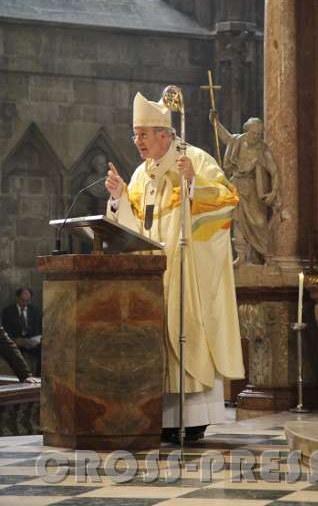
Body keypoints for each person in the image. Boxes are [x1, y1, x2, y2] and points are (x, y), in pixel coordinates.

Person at [105, 91, 245, 443]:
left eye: (143, 134)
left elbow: (228, 200)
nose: (137, 142)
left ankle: (194, 418)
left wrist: (193, 184)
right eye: (135, 135)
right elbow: (137, 227)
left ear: (165, 134)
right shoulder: (140, 174)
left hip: (188, 268)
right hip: (154, 276)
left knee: (187, 334)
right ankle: (162, 417)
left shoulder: (194, 159)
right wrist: (120, 196)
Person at [212, 115, 281, 265]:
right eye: (253, 133)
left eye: (259, 134)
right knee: (238, 222)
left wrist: (274, 192)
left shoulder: (263, 149)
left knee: (260, 222)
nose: (256, 136)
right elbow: (225, 137)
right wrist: (216, 122)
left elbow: (274, 171)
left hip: (254, 190)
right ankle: (241, 256)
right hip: (236, 185)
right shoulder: (237, 141)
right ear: (246, 130)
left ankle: (267, 255)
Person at [2, 288, 42, 376]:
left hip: (31, 343)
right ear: (17, 298)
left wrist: (33, 340)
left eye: (27, 301)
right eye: (22, 300)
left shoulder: (36, 311)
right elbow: (5, 330)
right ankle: (19, 379)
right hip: (16, 342)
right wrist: (15, 340)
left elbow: (39, 329)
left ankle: (39, 378)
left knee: (43, 350)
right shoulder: (8, 311)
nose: (25, 303)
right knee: (11, 352)